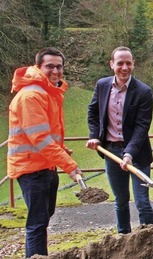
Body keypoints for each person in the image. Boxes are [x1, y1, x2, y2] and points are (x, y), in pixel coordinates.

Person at [7, 47, 83, 257]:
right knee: (37, 224)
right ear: (38, 67)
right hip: (31, 168)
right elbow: (39, 138)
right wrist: (69, 165)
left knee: (43, 218)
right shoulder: (31, 96)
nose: (56, 71)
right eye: (50, 66)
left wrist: (62, 151)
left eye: (59, 66)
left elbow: (48, 134)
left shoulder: (50, 93)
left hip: (45, 165)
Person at [86, 46, 153, 234]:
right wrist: (94, 136)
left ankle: (150, 239)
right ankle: (123, 238)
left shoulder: (143, 91)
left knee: (142, 201)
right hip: (111, 152)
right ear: (111, 65)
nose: (124, 67)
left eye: (128, 63)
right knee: (121, 200)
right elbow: (92, 111)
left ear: (134, 64)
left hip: (137, 154)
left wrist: (129, 154)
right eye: (120, 63)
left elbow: (142, 127)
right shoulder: (102, 85)